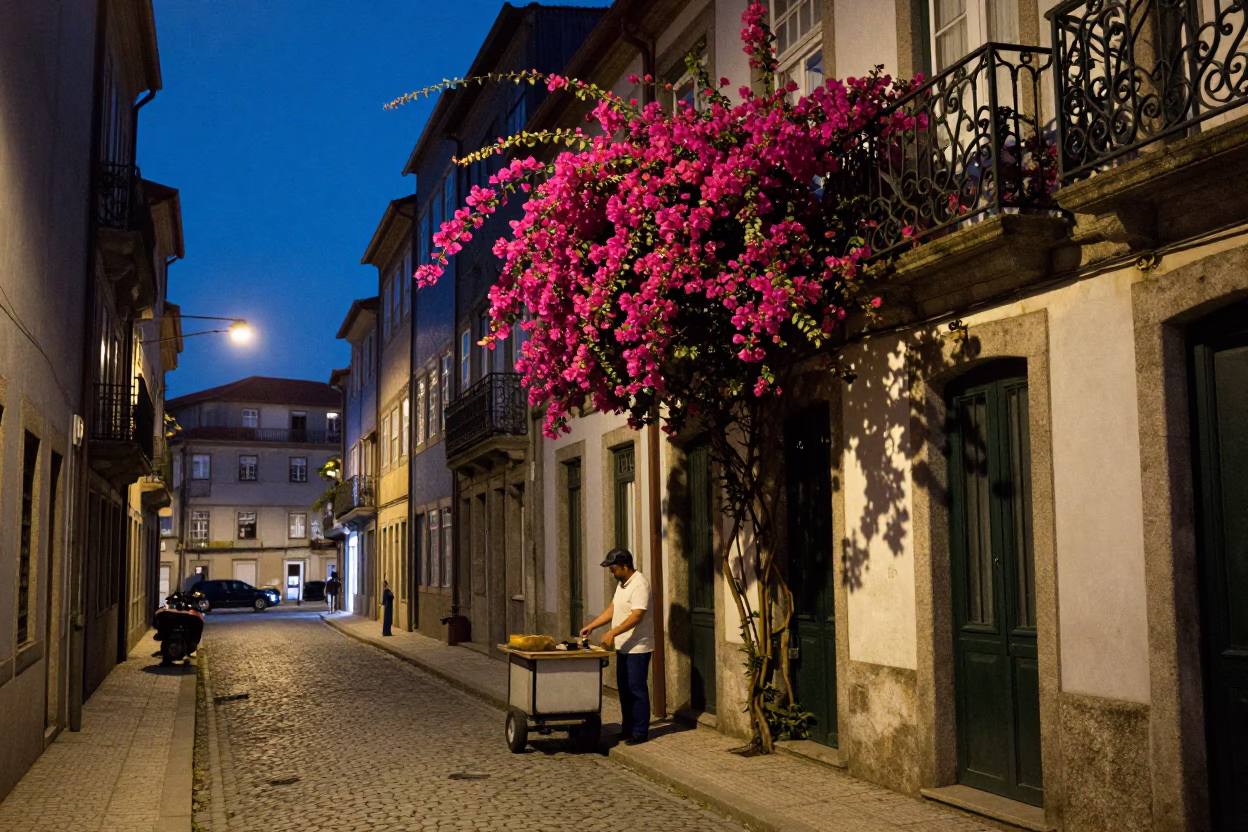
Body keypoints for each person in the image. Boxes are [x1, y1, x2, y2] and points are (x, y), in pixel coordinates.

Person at [580, 548, 653, 745]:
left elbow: (637, 615)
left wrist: (613, 632)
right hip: (623, 646)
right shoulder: (622, 585)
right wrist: (592, 626)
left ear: (625, 566)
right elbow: (613, 609)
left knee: (636, 689)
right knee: (624, 689)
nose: (611, 572)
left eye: (613, 568)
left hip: (638, 647)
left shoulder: (640, 584)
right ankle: (627, 728)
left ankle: (640, 732)